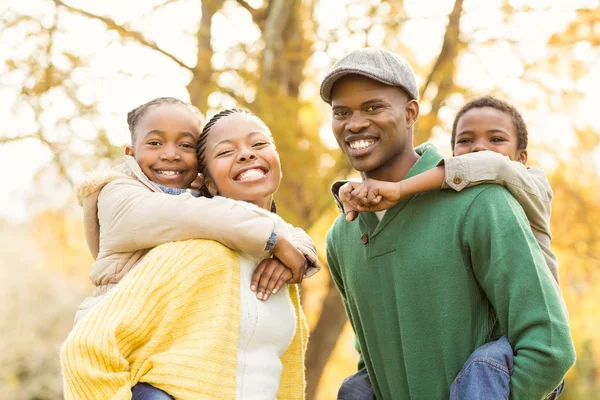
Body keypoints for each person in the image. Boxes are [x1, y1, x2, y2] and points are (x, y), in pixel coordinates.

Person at [320, 48, 575, 400]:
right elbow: (372, 361)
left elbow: (549, 347)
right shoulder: (341, 236)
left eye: (374, 107)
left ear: (410, 113)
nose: (356, 123)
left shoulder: (481, 203)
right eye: (341, 112)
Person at [70, 98, 318, 398]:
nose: (170, 154)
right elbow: (193, 213)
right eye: (155, 143)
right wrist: (274, 240)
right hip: (129, 355)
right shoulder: (119, 196)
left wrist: (295, 254)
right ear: (130, 153)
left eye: (186, 145)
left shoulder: (216, 223)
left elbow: (280, 229)